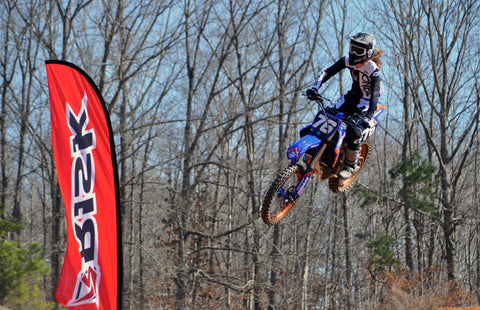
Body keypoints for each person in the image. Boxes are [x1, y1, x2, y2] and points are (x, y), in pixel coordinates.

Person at [306, 32, 384, 179]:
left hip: (366, 103)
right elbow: (328, 72)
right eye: (352, 48)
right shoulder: (348, 60)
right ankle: (316, 150)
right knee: (328, 117)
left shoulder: (372, 69)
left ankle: (350, 165)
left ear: (368, 53)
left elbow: (374, 95)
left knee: (354, 131)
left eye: (359, 51)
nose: (354, 53)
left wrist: (368, 116)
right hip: (351, 97)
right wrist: (314, 88)